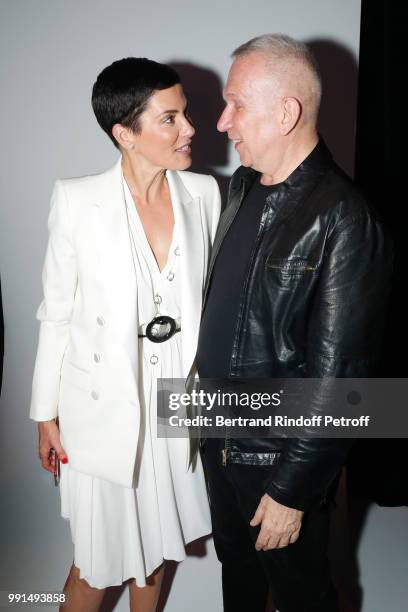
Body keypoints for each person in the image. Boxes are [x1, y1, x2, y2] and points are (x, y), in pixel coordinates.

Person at [196, 34, 392, 612]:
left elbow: (344, 381)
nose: (223, 121)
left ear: (286, 113)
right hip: (222, 441)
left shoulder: (346, 218)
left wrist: (291, 489)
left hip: (278, 459)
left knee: (304, 594)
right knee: (240, 579)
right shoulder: (242, 186)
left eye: (236, 104)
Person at [30, 57, 220, 612]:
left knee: (155, 552)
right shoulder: (76, 200)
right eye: (170, 119)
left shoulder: (204, 194)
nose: (189, 130)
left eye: (185, 115)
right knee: (98, 563)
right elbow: (55, 312)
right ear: (125, 134)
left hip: (172, 406)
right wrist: (44, 412)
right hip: (102, 406)